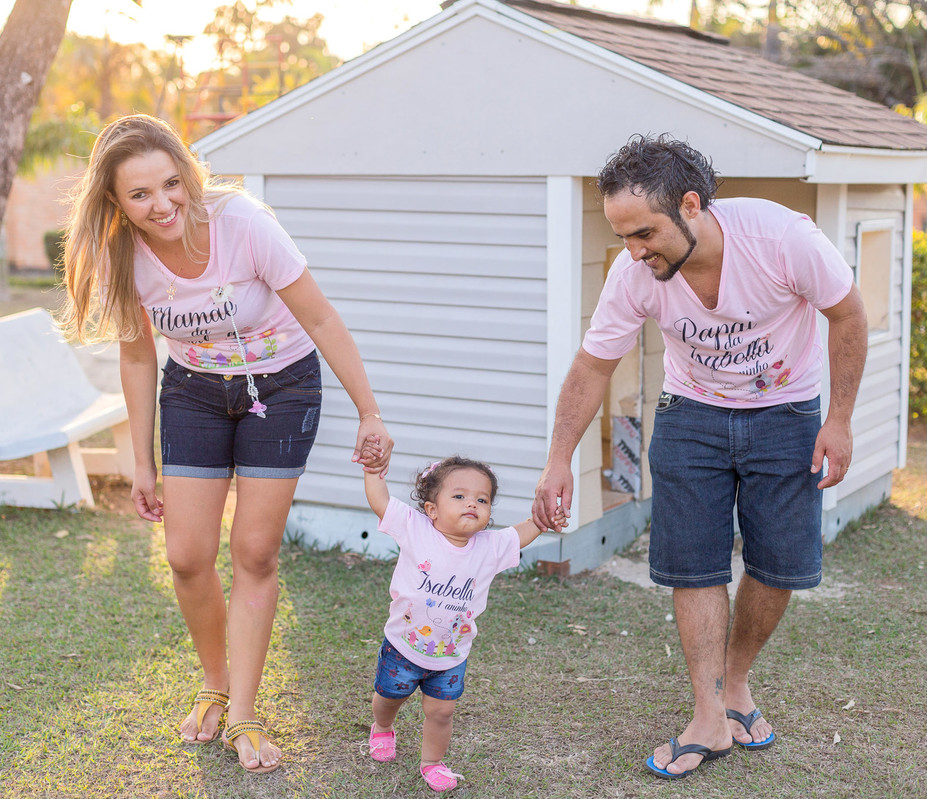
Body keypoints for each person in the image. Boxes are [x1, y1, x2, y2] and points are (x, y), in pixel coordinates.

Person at [60, 114, 393, 773]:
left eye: (170, 183)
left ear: (186, 173)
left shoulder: (243, 224)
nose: (163, 204)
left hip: (283, 386)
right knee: (185, 555)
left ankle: (243, 710)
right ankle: (214, 681)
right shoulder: (122, 251)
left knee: (253, 551)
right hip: (194, 390)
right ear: (115, 202)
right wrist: (140, 464)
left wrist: (369, 411)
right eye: (140, 195)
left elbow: (321, 316)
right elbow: (135, 356)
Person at [532, 135, 868, 780]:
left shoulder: (781, 239)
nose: (634, 251)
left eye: (644, 233)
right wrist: (557, 461)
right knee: (693, 566)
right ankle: (709, 716)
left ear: (691, 205)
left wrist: (841, 421)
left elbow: (848, 316)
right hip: (692, 417)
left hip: (787, 414)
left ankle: (735, 682)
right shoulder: (634, 275)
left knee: (780, 564)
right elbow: (592, 365)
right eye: (624, 236)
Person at [361, 450, 562, 792]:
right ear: (432, 509)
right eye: (459, 496)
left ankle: (432, 762)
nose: (472, 503)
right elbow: (381, 501)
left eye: (482, 499)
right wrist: (373, 470)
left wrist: (545, 519)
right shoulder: (416, 530)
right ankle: (382, 727)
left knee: (441, 713)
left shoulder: (490, 547)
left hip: (451, 656)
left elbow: (522, 532)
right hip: (402, 647)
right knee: (389, 696)